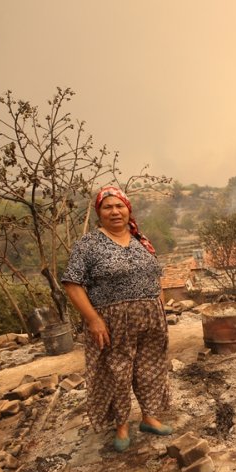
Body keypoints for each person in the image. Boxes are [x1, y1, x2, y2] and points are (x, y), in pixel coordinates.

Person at [61, 185, 173, 452]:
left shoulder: (140, 241)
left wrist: (159, 304)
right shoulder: (88, 245)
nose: (115, 211)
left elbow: (154, 276)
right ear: (99, 212)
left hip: (150, 319)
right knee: (116, 373)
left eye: (119, 206)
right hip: (111, 322)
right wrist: (93, 320)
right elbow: (72, 283)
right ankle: (121, 425)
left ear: (128, 209)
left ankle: (150, 418)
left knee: (150, 369)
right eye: (107, 207)